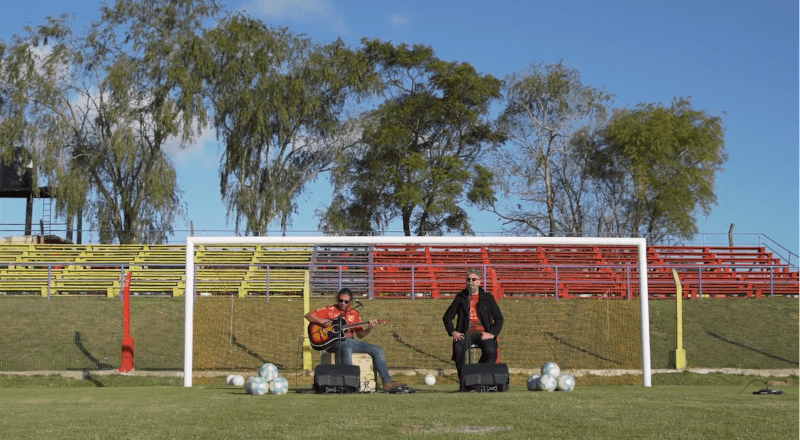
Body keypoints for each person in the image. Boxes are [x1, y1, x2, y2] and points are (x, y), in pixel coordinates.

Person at [305, 288, 413, 393]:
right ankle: (349, 383)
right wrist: (321, 321)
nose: (342, 303)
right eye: (340, 300)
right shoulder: (329, 310)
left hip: (351, 342)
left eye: (346, 301)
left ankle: (387, 382)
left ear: (350, 302)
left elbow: (360, 335)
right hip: (332, 343)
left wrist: (369, 328)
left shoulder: (355, 314)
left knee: (377, 350)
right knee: (346, 347)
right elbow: (308, 315)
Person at [442, 269, 504, 390]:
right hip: (465, 333)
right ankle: (463, 383)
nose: (471, 282)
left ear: (479, 281)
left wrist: (492, 333)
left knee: (491, 350)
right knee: (458, 348)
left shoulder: (487, 298)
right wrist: (453, 332)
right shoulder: (460, 298)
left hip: (483, 333)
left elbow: (499, 318)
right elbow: (447, 317)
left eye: (474, 279)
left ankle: (478, 376)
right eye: (468, 280)